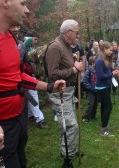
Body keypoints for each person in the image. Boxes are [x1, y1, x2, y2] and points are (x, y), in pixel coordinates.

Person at [0, 0, 65, 168]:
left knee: (21, 161)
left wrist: (49, 86)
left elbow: (17, 75)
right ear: (5, 2)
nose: (27, 10)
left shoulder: (11, 37)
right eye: (23, 4)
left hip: (19, 118)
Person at [45, 19, 83, 168]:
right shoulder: (55, 47)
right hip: (60, 92)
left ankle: (68, 151)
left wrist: (72, 62)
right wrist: (74, 69)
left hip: (69, 91)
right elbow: (53, 75)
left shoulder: (66, 45)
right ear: (68, 32)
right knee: (71, 126)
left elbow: (63, 65)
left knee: (66, 125)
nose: (78, 36)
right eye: (77, 32)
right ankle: (67, 159)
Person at [24, 31, 49, 129]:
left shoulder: (31, 48)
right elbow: (27, 40)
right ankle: (40, 119)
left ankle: (31, 115)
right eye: (35, 39)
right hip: (26, 76)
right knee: (33, 98)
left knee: (30, 97)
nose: (36, 41)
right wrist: (30, 38)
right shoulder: (24, 45)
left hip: (31, 75)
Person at [95, 42, 118, 136]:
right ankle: (104, 130)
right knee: (109, 106)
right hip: (102, 87)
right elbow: (100, 76)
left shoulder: (106, 59)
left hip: (106, 86)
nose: (111, 52)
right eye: (110, 50)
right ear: (104, 49)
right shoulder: (99, 60)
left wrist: (112, 71)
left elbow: (106, 71)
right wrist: (112, 74)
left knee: (104, 106)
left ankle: (104, 125)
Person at [82, 56, 97, 122]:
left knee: (95, 103)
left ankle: (93, 115)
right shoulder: (88, 71)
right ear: (92, 63)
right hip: (90, 90)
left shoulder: (97, 70)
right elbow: (84, 81)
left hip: (96, 89)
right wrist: (90, 88)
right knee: (90, 103)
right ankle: (86, 117)